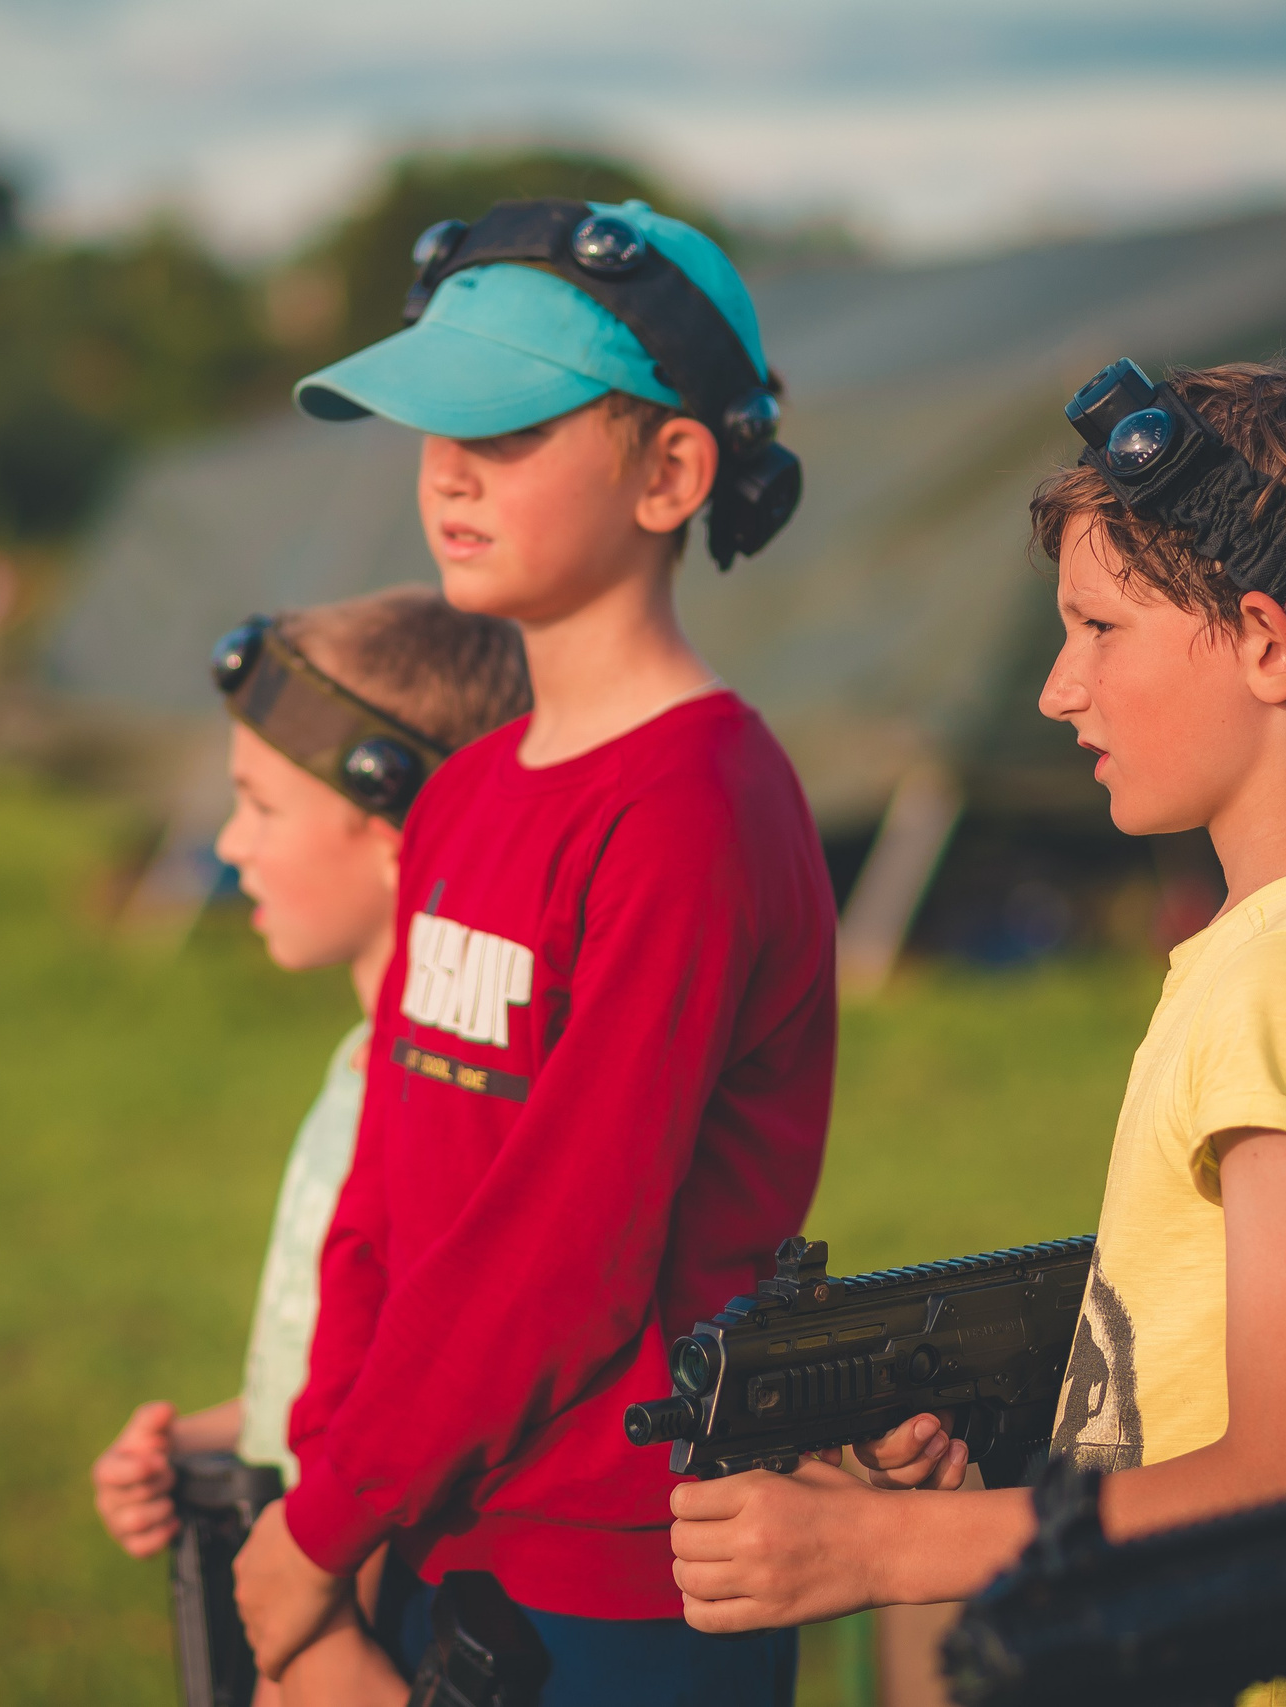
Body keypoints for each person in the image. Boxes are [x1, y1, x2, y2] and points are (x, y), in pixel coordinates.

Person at [670, 360, 1286, 1706]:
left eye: (1101, 628)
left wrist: (878, 1544)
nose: (1063, 689)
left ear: (1266, 643)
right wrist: (1019, 1485)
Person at [228, 200, 840, 1707]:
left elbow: (566, 1250)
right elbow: (380, 1193)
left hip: (625, 1573)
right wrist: (341, 1486)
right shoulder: (469, 794)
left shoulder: (693, 805)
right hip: (429, 1530)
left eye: (504, 430)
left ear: (672, 471)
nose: (445, 468)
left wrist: (313, 1529)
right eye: (432, 427)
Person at [89, 585, 532, 1704]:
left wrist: (325, 1651)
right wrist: (208, 1436)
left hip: (356, 1618)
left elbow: (431, 1392)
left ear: (398, 826)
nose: (228, 845)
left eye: (260, 807)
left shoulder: (450, 1094)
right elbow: (339, 1365)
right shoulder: (356, 1064)